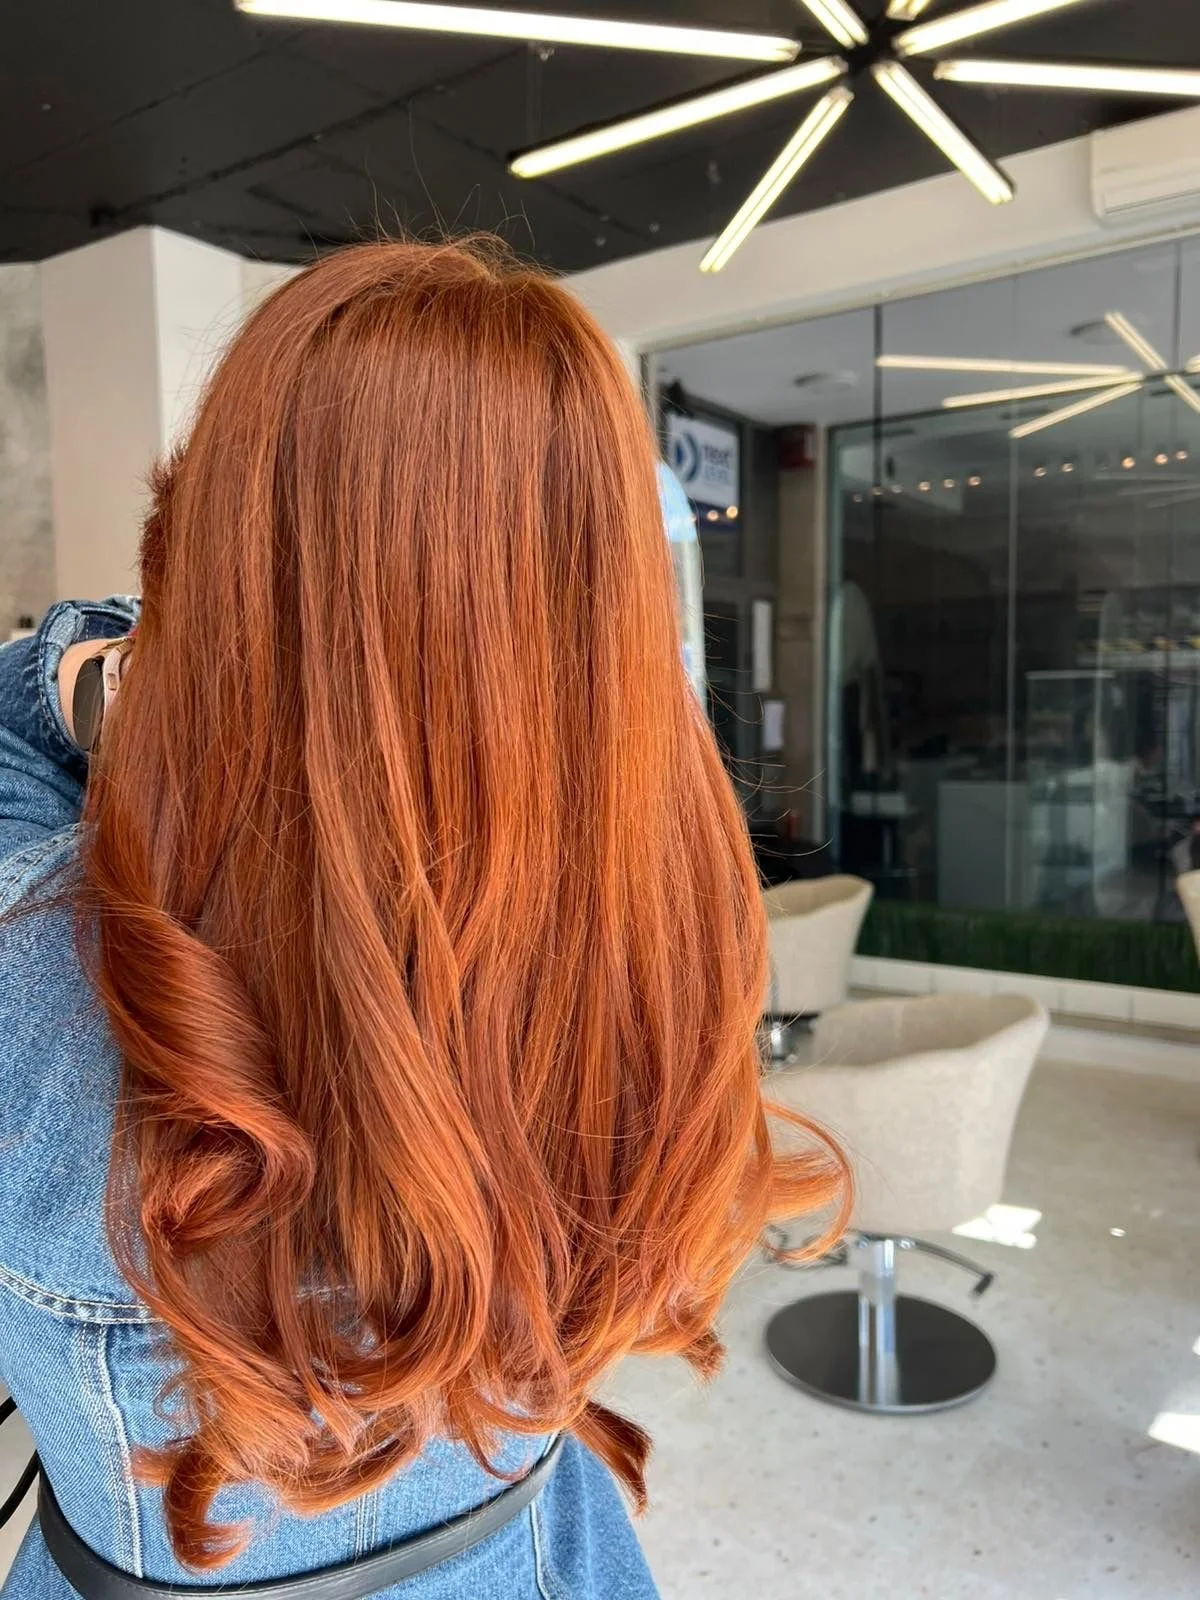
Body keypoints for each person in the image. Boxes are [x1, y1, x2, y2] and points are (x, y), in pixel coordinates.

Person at [0, 240, 845, 1598]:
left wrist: (127, 646)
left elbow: (19, 723)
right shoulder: (657, 933)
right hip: (546, 1560)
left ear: (207, 564)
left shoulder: (42, 976)